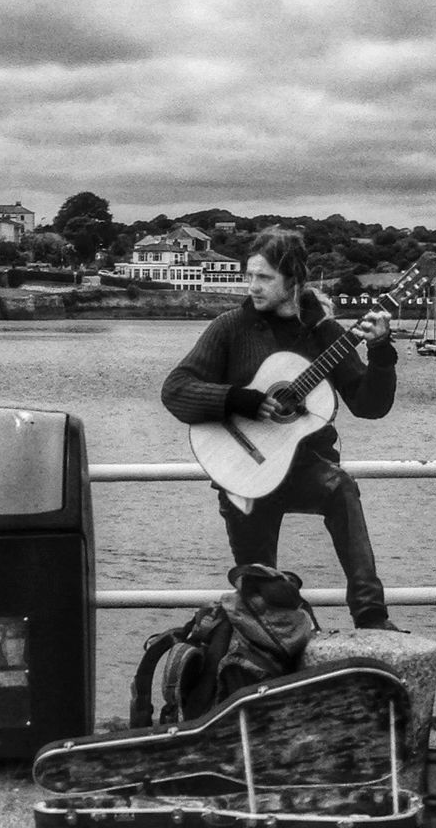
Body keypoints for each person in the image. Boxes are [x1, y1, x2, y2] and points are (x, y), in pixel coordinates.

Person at [161, 226, 399, 630]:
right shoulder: (230, 327)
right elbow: (176, 390)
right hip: (245, 471)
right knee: (262, 603)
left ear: (293, 280)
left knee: (341, 487)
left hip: (307, 466)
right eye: (249, 275)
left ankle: (371, 615)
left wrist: (380, 352)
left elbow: (369, 405)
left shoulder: (323, 332)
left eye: (264, 277)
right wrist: (243, 400)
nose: (252, 286)